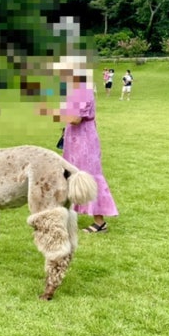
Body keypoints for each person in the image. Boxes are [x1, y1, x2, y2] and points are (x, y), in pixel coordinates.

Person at [41, 67, 118, 233]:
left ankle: (100, 222)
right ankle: (64, 216)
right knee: (69, 175)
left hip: (84, 140)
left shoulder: (82, 90)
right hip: (74, 139)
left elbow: (75, 119)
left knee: (88, 177)